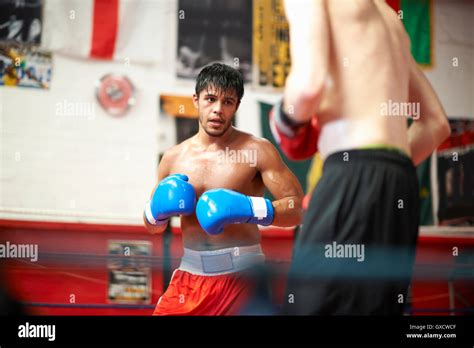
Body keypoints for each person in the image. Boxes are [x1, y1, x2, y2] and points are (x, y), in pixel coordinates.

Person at [271, 0, 451, 315]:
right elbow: (437, 124)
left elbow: (308, 85)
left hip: (352, 170)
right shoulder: (390, 20)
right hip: (399, 184)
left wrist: (283, 121)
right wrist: (377, 174)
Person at [144, 63, 304, 315]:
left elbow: (297, 209)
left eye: (228, 102)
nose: (218, 109)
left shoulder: (257, 150)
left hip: (243, 277)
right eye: (210, 99)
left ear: (236, 106)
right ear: (196, 100)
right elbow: (153, 226)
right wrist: (156, 210)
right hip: (189, 280)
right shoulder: (173, 158)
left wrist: (249, 208)